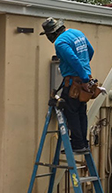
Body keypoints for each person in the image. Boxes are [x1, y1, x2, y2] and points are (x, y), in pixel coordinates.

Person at [40, 17, 94, 153]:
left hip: (74, 82)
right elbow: (90, 51)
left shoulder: (60, 42)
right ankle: (83, 142)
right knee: (81, 111)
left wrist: (82, 77)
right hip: (84, 78)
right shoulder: (77, 33)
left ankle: (77, 143)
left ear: (52, 33)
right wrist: (86, 72)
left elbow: (73, 60)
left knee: (71, 111)